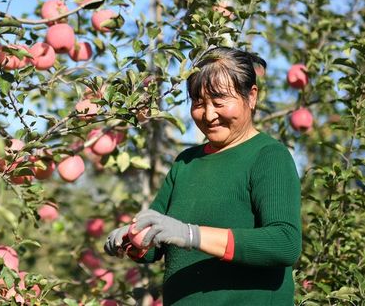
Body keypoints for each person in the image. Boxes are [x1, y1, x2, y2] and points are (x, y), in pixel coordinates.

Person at [104, 46, 302, 305]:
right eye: (199, 103)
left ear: (251, 96)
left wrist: (191, 235)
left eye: (220, 102)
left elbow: (284, 243)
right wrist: (132, 240)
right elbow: (157, 243)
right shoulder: (186, 163)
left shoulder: (267, 156)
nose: (209, 115)